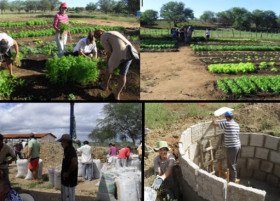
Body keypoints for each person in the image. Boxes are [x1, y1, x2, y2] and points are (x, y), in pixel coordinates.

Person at [94, 29, 134, 100]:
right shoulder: (114, 32)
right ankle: (117, 94)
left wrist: (107, 61)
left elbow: (109, 51)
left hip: (120, 52)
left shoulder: (103, 37)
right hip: (130, 52)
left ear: (97, 37)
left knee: (108, 68)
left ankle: (105, 85)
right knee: (123, 75)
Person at [213, 111, 241, 182]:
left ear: (228, 117)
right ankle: (232, 176)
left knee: (231, 164)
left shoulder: (227, 123)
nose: (225, 119)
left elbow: (215, 124)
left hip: (232, 147)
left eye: (225, 117)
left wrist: (214, 119)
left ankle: (233, 179)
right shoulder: (237, 124)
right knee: (233, 163)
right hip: (238, 146)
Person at [58, 134, 78, 201]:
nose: (61, 143)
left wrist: (67, 173)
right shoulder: (67, 149)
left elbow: (74, 163)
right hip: (66, 181)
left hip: (69, 181)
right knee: (65, 198)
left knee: (68, 198)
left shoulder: (70, 150)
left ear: (65, 141)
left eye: (62, 141)